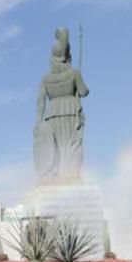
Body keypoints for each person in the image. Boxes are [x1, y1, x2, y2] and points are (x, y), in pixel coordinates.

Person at [34, 27, 89, 183]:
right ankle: (72, 176)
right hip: (71, 112)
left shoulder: (46, 79)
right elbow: (84, 92)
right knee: (73, 145)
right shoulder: (74, 73)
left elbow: (40, 102)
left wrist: (38, 121)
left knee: (55, 147)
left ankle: (55, 176)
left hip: (52, 114)